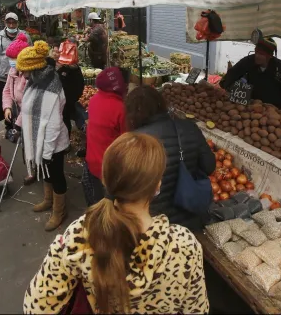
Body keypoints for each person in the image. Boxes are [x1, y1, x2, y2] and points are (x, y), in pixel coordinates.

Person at [23, 132, 209, 314]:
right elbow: (197, 309)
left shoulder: (81, 236)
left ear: (105, 180)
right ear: (157, 185)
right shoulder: (185, 245)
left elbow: (36, 307)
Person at [125, 86, 216, 230]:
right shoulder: (189, 127)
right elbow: (209, 166)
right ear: (162, 104)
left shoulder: (133, 141)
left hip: (155, 225)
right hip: (190, 218)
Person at [17, 41, 70, 232]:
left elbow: (54, 124)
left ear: (34, 68)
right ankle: (48, 200)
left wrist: (46, 151)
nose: (21, 74)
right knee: (46, 173)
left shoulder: (52, 86)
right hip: (41, 141)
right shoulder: (35, 81)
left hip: (52, 143)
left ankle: (59, 210)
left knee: (56, 175)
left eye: (24, 70)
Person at [84, 67, 127, 206]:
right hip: (109, 167)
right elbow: (126, 141)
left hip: (92, 161)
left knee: (97, 203)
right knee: (110, 207)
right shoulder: (120, 108)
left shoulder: (94, 99)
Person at [219, 37, 281, 109]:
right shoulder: (249, 61)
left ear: (270, 56)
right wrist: (225, 86)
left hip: (274, 109)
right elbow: (233, 73)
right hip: (253, 106)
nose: (257, 56)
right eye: (256, 52)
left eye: (261, 54)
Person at [2, 32, 35, 184]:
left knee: (33, 142)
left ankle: (37, 169)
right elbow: (7, 90)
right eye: (10, 59)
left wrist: (18, 124)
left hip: (31, 114)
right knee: (24, 144)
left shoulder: (31, 76)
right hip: (18, 111)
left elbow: (30, 101)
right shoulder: (12, 71)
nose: (11, 62)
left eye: (13, 59)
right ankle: (30, 170)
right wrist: (7, 107)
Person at [0, 12, 32, 133]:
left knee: (21, 100)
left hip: (23, 74)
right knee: (9, 98)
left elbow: (30, 52)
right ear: (5, 23)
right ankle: (10, 126)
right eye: (9, 22)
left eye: (14, 22)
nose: (11, 24)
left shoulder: (25, 35)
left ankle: (19, 127)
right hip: (5, 75)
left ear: (17, 23)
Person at [49, 42, 84, 136]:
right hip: (53, 103)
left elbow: (78, 86)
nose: (56, 54)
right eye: (54, 52)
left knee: (64, 122)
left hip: (65, 102)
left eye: (59, 52)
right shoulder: (49, 65)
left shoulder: (72, 68)